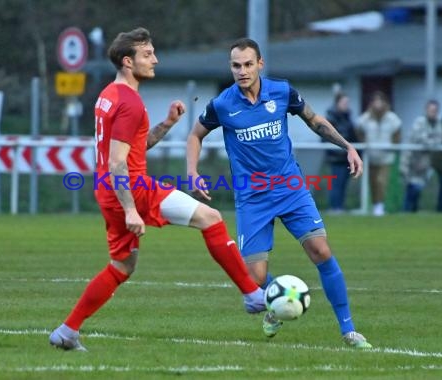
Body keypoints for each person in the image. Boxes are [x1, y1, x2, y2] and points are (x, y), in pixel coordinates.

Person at [49, 28, 265, 352]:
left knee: (122, 266)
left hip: (109, 190)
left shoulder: (109, 94)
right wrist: (132, 209)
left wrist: (167, 123)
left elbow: (135, 146)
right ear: (127, 61)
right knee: (211, 217)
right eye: (147, 55)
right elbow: (119, 163)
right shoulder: (129, 102)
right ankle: (252, 294)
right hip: (131, 189)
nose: (155, 60)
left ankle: (67, 331)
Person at [187, 38, 372, 349]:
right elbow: (195, 134)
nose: (241, 71)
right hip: (252, 198)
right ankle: (274, 300)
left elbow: (315, 121)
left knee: (321, 251)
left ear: (260, 64)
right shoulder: (222, 105)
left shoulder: (282, 91)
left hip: (290, 188)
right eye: (236, 65)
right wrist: (192, 171)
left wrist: (348, 146)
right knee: (255, 278)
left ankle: (349, 330)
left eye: (247, 64)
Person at [356, 91, 402, 216]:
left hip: (386, 157)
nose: (378, 104)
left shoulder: (392, 118)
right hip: (370, 157)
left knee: (382, 181)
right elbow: (359, 130)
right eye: (375, 101)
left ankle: (380, 206)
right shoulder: (365, 118)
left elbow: (397, 133)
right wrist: (364, 144)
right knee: (373, 182)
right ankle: (375, 204)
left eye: (380, 101)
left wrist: (393, 146)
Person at [399, 100, 442, 212]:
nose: (433, 113)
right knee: (411, 190)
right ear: (426, 110)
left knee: (418, 190)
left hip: (425, 163)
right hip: (411, 161)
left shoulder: (438, 123)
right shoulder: (419, 122)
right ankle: (406, 214)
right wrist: (431, 142)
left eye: (435, 110)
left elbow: (440, 140)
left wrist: (431, 142)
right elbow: (421, 139)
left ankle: (413, 214)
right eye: (431, 110)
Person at [324, 92, 358, 213]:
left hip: (346, 157)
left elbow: (353, 136)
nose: (346, 105)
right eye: (344, 102)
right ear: (337, 103)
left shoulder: (347, 118)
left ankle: (340, 207)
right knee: (336, 184)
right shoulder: (331, 118)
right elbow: (327, 137)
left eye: (347, 103)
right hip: (336, 157)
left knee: (343, 184)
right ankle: (335, 207)